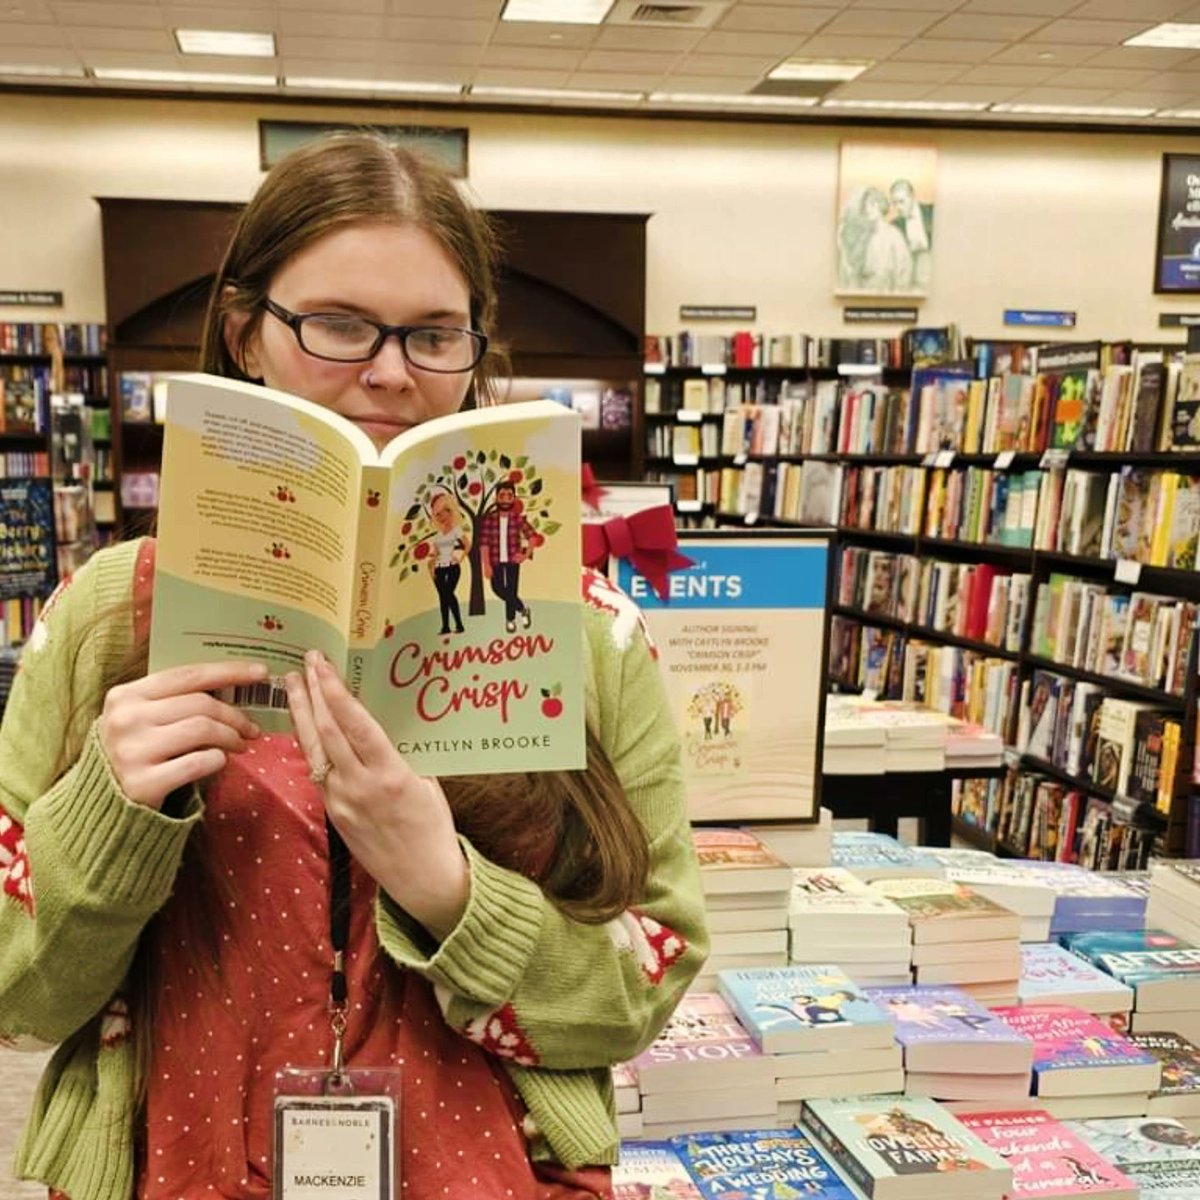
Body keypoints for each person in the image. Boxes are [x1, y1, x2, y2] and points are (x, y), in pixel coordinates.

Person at [0, 133, 708, 1200]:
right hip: (181, 1165)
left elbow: (645, 988)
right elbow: (18, 1002)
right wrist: (109, 815)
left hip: (489, 1172)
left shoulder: (588, 632)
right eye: (336, 324)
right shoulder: (106, 614)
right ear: (246, 335)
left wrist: (448, 887)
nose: (387, 371)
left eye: (434, 334)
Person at [479, 479, 536, 632]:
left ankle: (510, 620)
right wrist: (486, 564)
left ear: (514, 498)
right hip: (495, 561)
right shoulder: (489, 519)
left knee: (512, 591)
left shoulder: (517, 518)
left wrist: (525, 555)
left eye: (509, 496)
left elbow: (532, 537)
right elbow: (484, 543)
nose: (505, 499)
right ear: (496, 498)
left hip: (513, 561)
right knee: (497, 588)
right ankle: (523, 609)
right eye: (502, 496)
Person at [426, 489, 469, 635]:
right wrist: (431, 566)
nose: (440, 517)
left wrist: (460, 558)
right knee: (443, 598)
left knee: (448, 595)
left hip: (452, 567)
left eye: (442, 512)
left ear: (449, 511)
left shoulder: (456, 530)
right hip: (439, 568)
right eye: (437, 514)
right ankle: (445, 626)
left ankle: (459, 625)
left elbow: (467, 545)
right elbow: (436, 554)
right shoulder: (438, 535)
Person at [888, 178, 933, 290]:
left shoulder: (933, 212)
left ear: (912, 197)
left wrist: (924, 247)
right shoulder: (894, 225)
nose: (898, 207)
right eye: (894, 203)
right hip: (911, 280)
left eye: (901, 201)